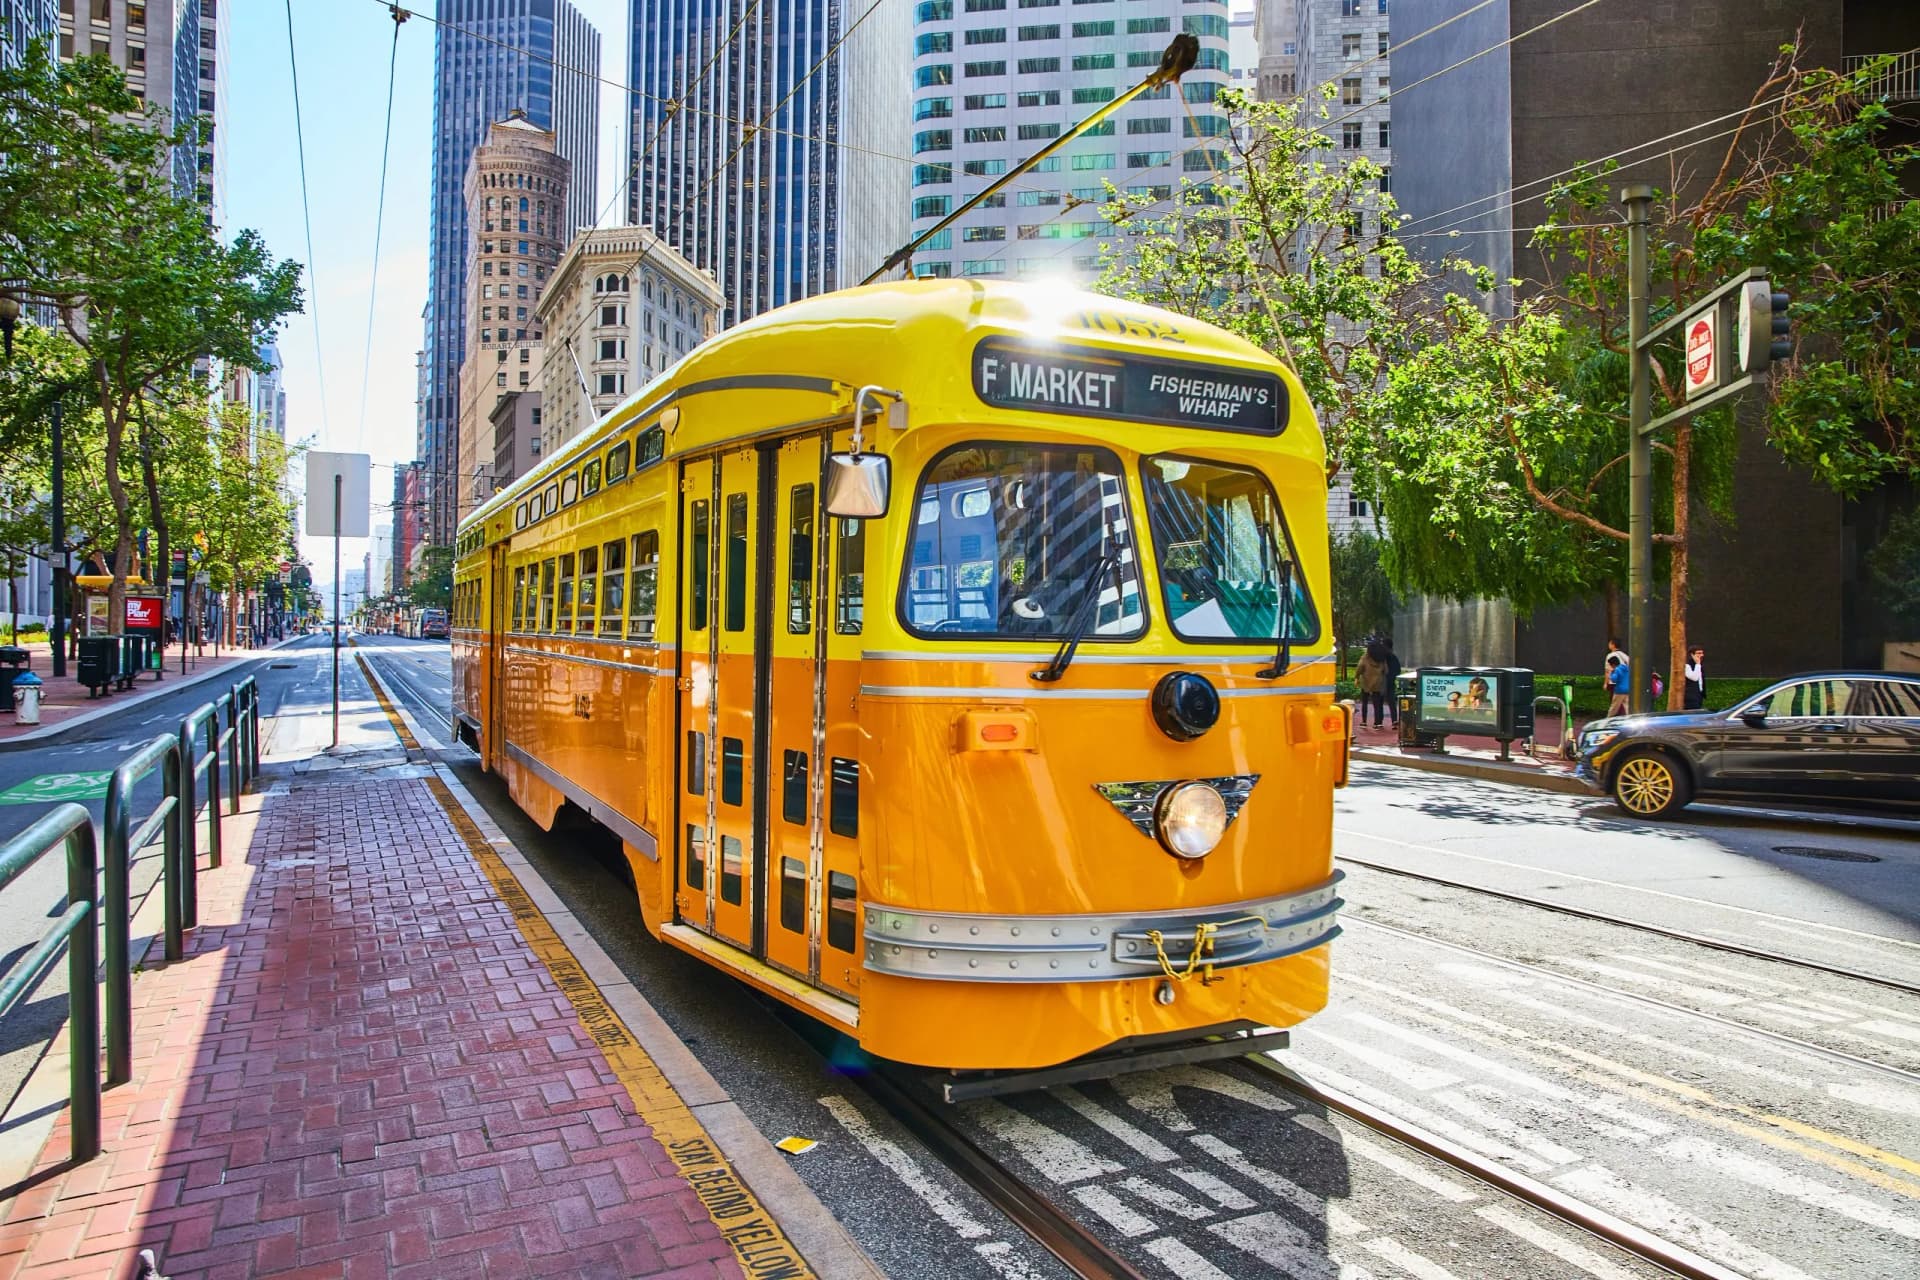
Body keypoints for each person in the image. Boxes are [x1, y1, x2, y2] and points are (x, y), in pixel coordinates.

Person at [1355, 639, 1387, 728]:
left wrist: (1357, 677)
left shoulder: (1365, 657)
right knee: (1377, 704)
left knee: (1364, 702)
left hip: (1366, 682)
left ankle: (1364, 722)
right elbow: (1386, 670)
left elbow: (1360, 667)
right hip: (1377, 683)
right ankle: (1377, 723)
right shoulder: (1381, 658)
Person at [1382, 637, 1403, 726]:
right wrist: (1393, 677)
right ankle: (1394, 720)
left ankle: (1378, 722)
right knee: (1391, 702)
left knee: (1379, 702)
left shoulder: (1381, 655)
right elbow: (1398, 670)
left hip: (1381, 681)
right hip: (1390, 681)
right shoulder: (1393, 656)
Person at [1683, 645, 1706, 709]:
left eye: (1702, 653)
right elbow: (1694, 678)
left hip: (1699, 695)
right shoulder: (1687, 665)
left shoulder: (1699, 664)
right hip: (1690, 697)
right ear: (1692, 654)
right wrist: (1698, 664)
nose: (1701, 655)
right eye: (1698, 653)